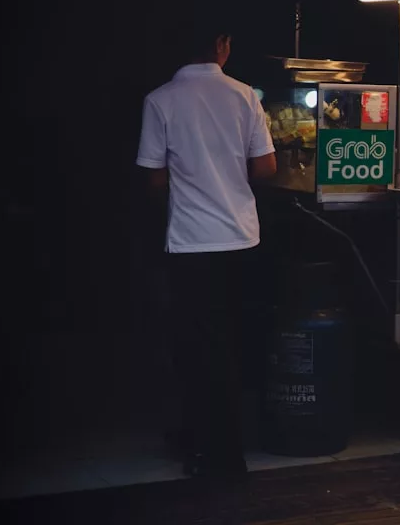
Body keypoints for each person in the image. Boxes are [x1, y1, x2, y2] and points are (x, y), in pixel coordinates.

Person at [136, 27, 276, 481]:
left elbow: (154, 179)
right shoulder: (244, 96)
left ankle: (204, 445)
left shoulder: (160, 99)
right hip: (241, 238)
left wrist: (187, 193)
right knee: (231, 342)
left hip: (191, 242)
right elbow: (266, 167)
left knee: (194, 346)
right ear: (222, 44)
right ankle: (229, 448)